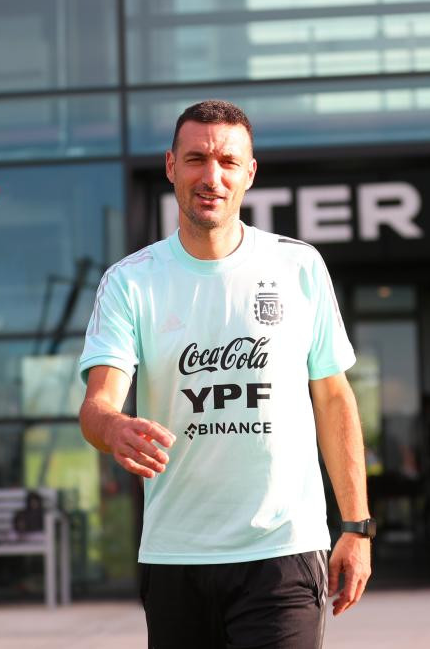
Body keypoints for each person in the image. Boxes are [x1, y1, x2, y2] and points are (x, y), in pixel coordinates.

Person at [79, 99, 372, 649]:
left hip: (281, 551)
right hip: (175, 554)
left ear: (249, 172)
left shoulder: (298, 266)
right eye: (195, 159)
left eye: (227, 161)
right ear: (170, 166)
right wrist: (113, 427)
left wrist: (356, 527)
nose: (211, 176)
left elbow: (334, 398)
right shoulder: (130, 282)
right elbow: (99, 405)